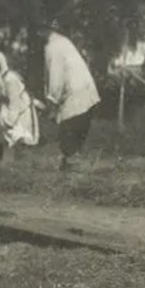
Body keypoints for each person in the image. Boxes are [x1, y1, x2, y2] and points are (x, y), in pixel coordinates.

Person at [37, 17, 100, 172]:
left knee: (68, 138)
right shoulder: (63, 42)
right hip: (85, 94)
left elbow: (56, 77)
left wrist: (52, 102)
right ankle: (72, 168)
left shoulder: (52, 47)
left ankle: (72, 172)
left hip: (75, 97)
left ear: (43, 31)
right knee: (73, 138)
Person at [0, 50, 40, 161]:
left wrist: (10, 121)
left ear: (2, 63)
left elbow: (15, 101)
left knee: (19, 135)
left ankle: (21, 164)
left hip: (21, 109)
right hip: (7, 107)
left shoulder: (10, 79)